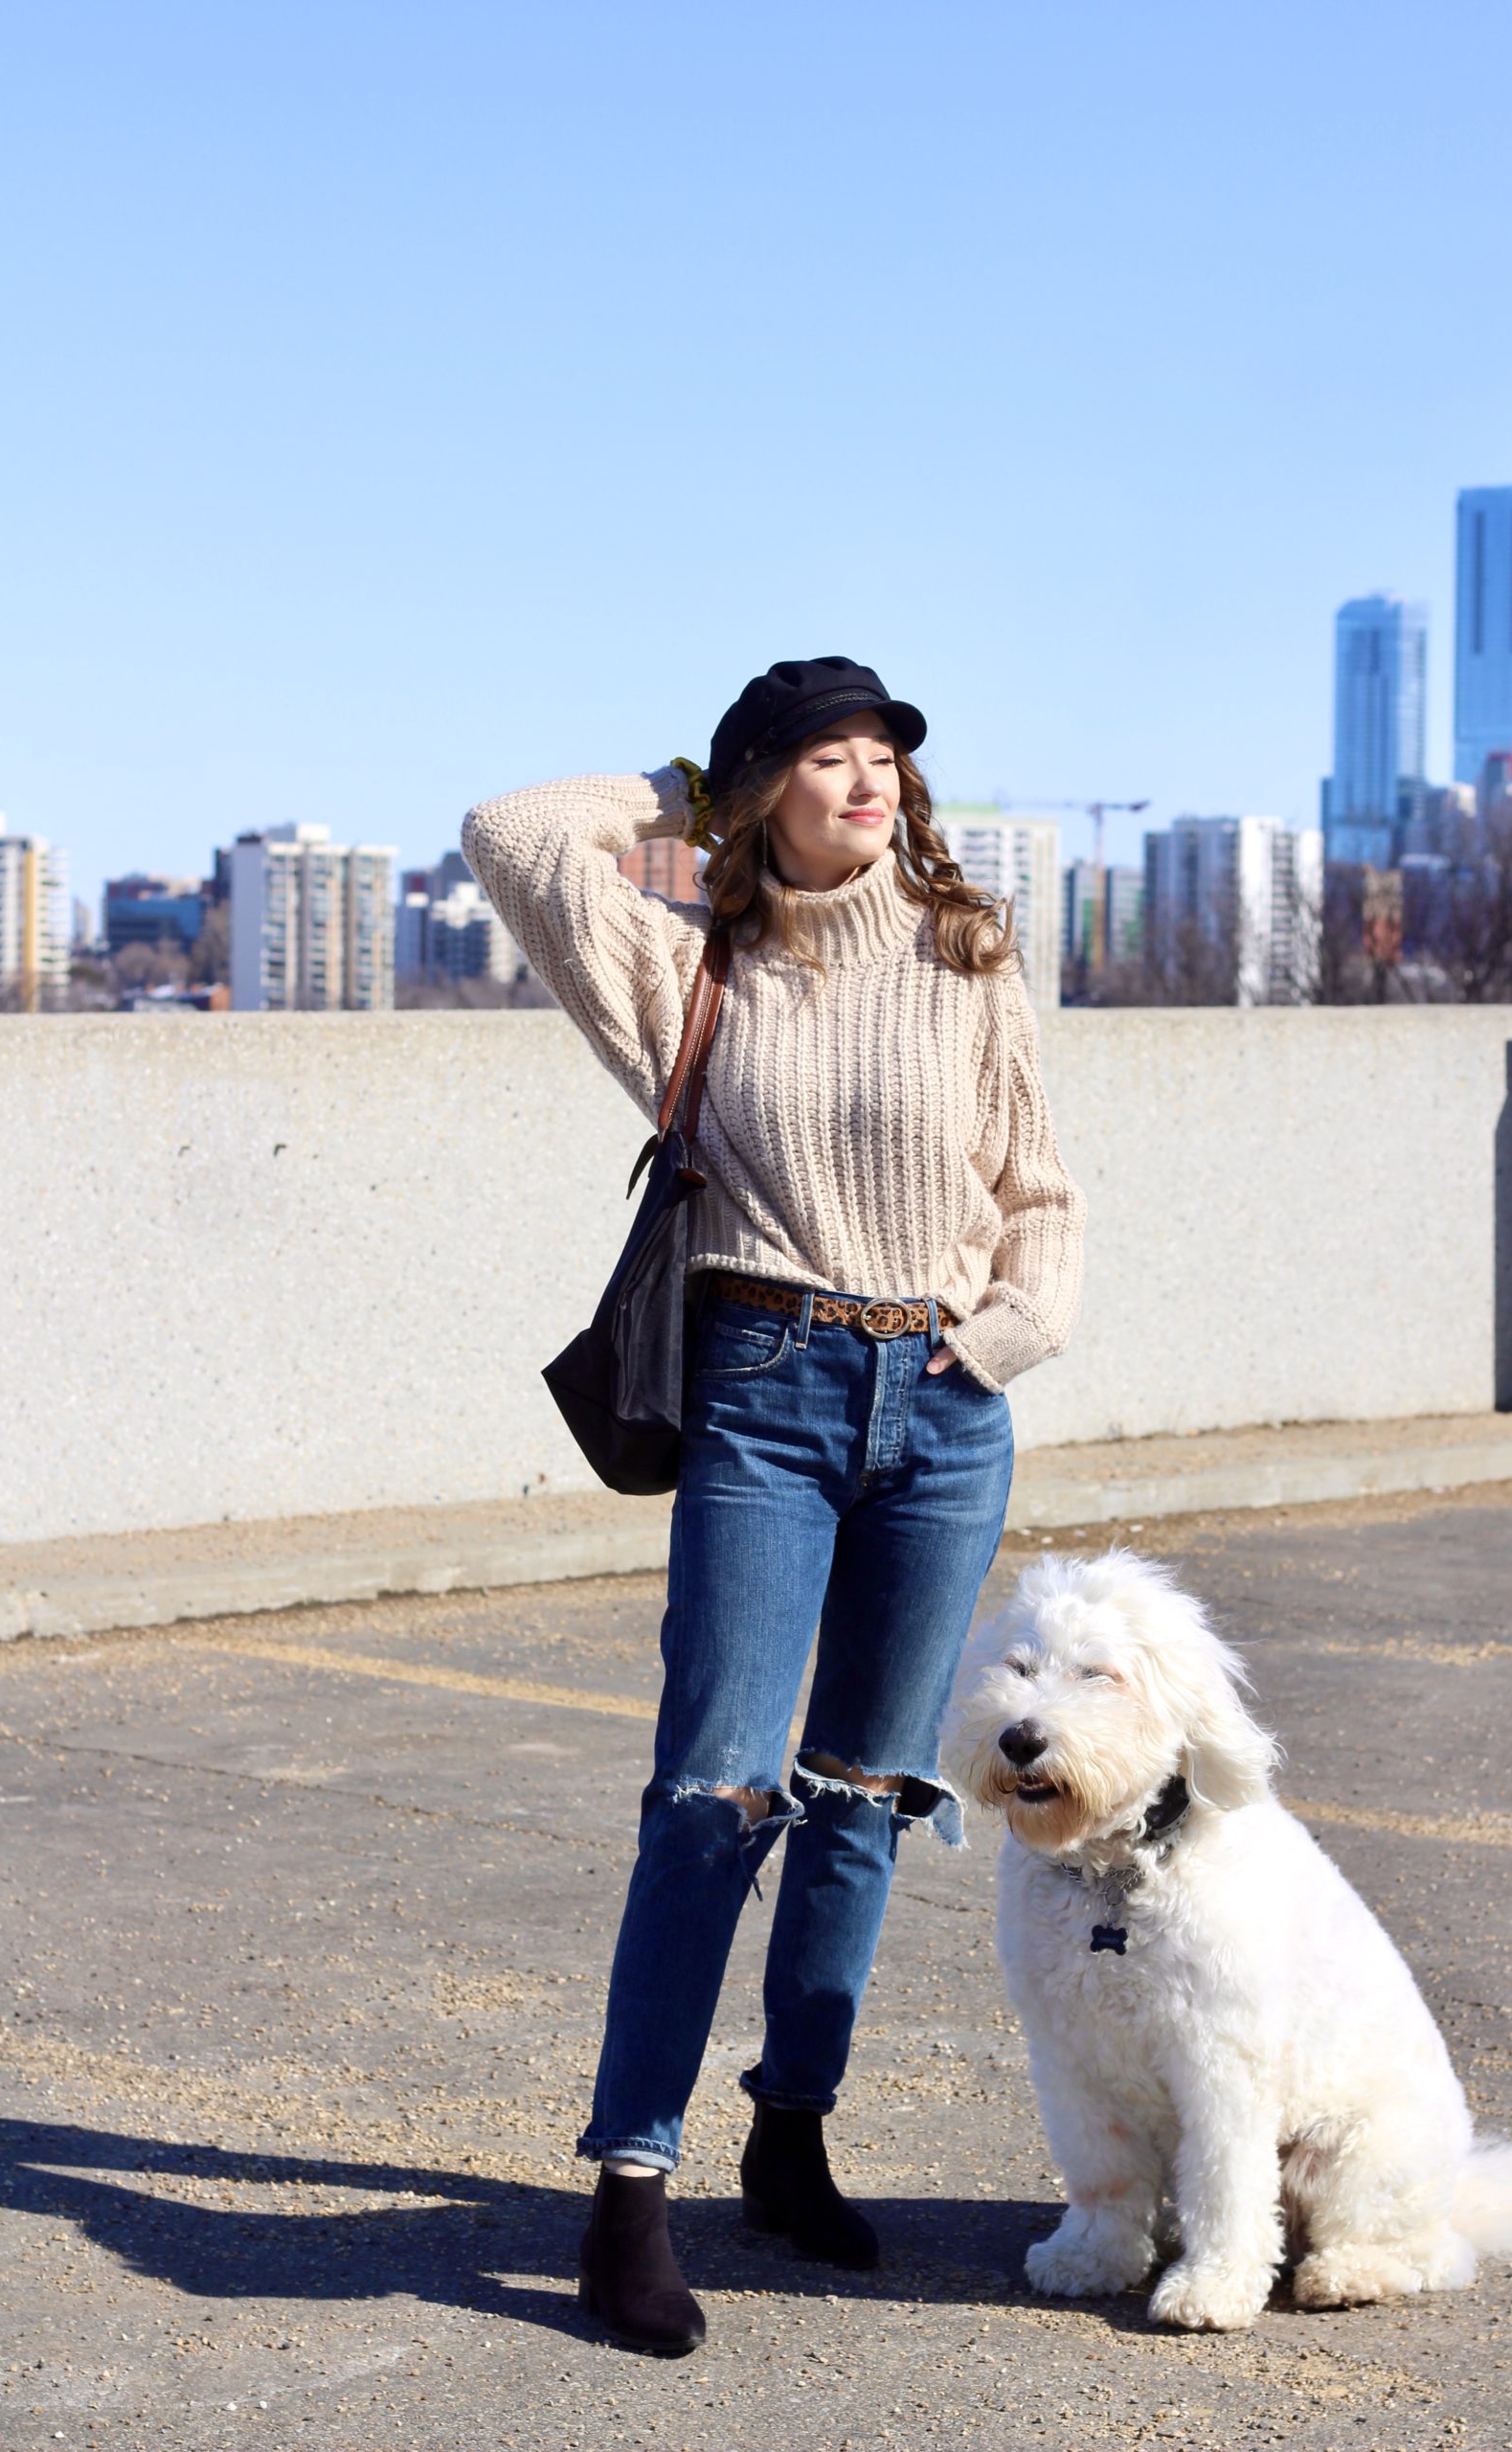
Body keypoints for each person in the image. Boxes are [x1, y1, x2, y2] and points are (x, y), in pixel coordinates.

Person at [462, 655, 1084, 2354]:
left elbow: (1035, 1184)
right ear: (764, 792)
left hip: (945, 1414)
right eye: (829, 757)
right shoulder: (689, 967)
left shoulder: (971, 951)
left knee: (869, 1796)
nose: (871, 782)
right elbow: (511, 831)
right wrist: (694, 794)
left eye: (886, 754)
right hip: (767, 1395)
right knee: (709, 1797)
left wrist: (1005, 1338)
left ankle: (791, 2132)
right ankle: (631, 2188)